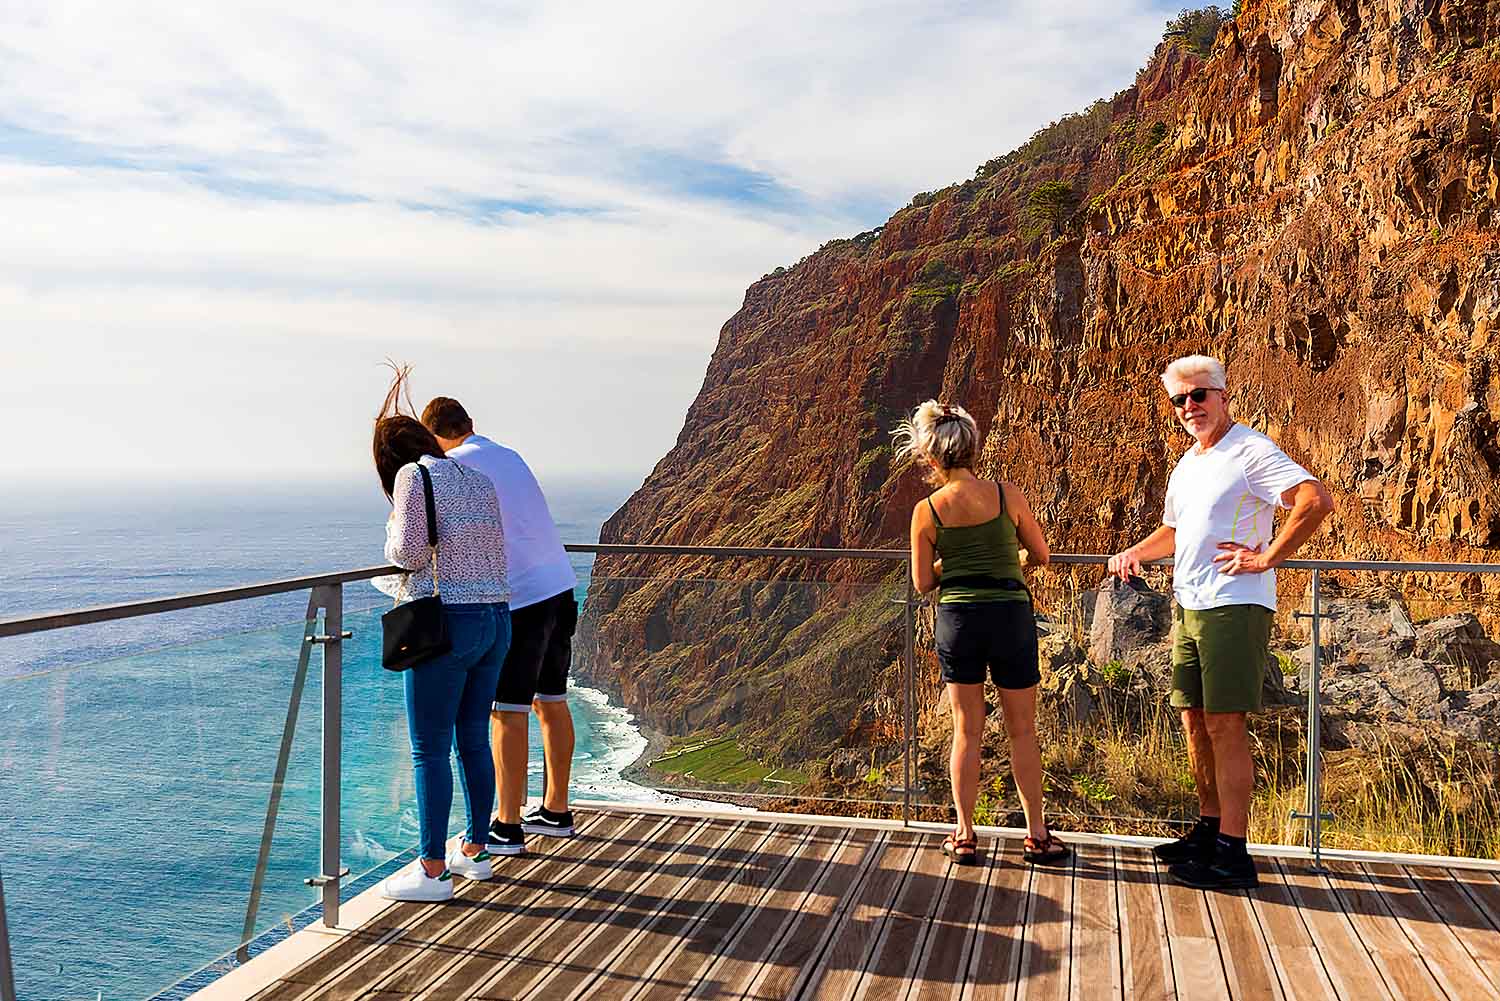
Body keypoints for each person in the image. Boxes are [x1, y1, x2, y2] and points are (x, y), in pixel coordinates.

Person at [1109, 354, 1333, 890]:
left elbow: (1315, 499)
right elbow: (1174, 532)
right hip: (1190, 605)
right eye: (1179, 400)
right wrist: (1132, 552)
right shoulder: (1188, 464)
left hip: (1234, 604)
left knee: (1226, 724)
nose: (1190, 407)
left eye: (1199, 395)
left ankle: (1234, 852)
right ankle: (1209, 832)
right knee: (1194, 720)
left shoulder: (1250, 452)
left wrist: (1268, 556)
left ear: (1222, 394)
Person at [895, 400, 1069, 867]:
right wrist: (1009, 564)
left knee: (966, 731)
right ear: (973, 448)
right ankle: (1036, 835)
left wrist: (950, 562)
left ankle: (965, 835)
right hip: (1009, 615)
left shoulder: (926, 511)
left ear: (931, 458)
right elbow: (1042, 555)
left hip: (959, 620)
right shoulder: (1007, 495)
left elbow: (922, 583)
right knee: (1022, 731)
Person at [371, 369, 512, 901]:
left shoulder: (414, 477)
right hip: (496, 618)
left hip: (447, 625)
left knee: (428, 750)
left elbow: (407, 551)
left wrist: (388, 536)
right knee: (473, 739)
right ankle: (475, 852)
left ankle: (432, 871)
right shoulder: (477, 479)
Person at [421, 396, 580, 855]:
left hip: (521, 596)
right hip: (559, 586)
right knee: (551, 701)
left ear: (434, 436)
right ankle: (556, 810)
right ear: (469, 423)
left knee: (505, 710)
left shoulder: (450, 467)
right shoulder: (509, 455)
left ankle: (507, 826)